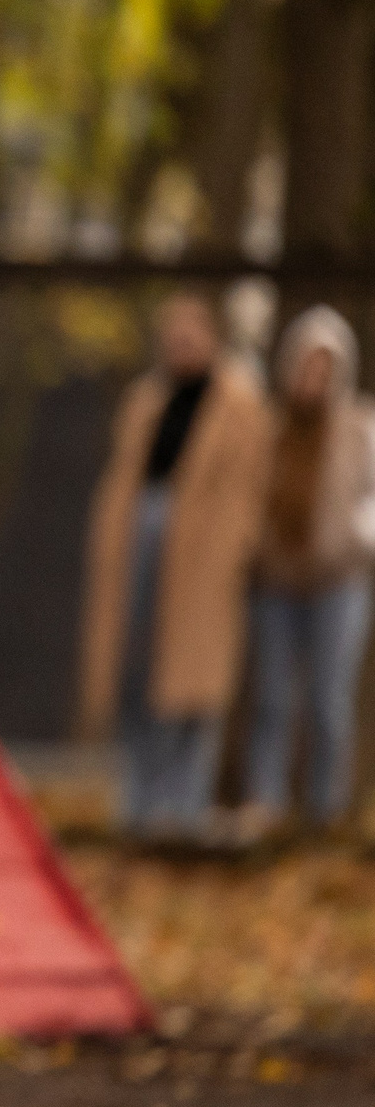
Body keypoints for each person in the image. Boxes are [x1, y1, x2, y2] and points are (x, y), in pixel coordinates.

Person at [78, 292, 273, 843]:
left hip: (204, 564)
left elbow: (248, 489)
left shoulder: (239, 405)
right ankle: (138, 805)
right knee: (137, 677)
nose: (181, 347)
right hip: (142, 549)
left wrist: (231, 548)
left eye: (191, 336)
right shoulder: (146, 400)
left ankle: (183, 808)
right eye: (172, 338)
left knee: (194, 690)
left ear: (211, 338)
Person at [240, 306, 375, 836]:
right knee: (272, 698)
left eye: (324, 367)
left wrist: (357, 540)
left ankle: (326, 811)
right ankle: (266, 804)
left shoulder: (360, 426)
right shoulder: (269, 428)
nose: (313, 378)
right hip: (276, 581)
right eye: (306, 365)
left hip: (339, 581)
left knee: (328, 701)